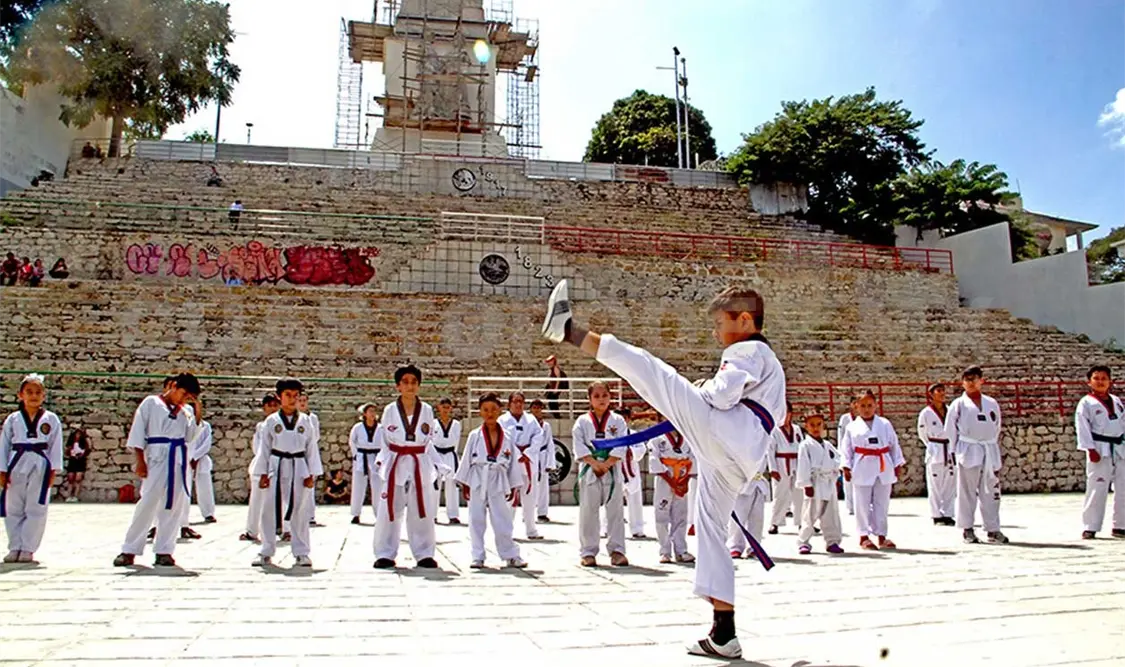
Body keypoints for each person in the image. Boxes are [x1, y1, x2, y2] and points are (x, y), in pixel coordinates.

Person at [541, 281, 785, 659]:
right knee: (709, 528)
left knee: (651, 370)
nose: (717, 331)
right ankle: (724, 632)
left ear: (745, 320)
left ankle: (569, 330)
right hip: (739, 456)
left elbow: (722, 395)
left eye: (721, 322)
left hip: (727, 434)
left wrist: (699, 391)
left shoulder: (747, 348)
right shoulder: (773, 367)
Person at [113, 373, 202, 568]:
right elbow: (138, 433)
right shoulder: (151, 403)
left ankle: (164, 550)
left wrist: (197, 411)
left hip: (177, 459)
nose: (184, 399)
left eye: (189, 397)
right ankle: (129, 549)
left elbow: (190, 437)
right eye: (183, 393)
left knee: (173, 506)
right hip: (156, 457)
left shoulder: (185, 411)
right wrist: (140, 461)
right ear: (173, 386)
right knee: (148, 502)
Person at [373, 364, 447, 569]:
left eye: (414, 382)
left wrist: (438, 463)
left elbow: (428, 441)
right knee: (390, 508)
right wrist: (383, 460)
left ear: (419, 385)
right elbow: (385, 440)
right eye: (405, 382)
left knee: (421, 508)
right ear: (398, 386)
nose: (410, 386)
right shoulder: (389, 410)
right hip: (396, 459)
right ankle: (385, 552)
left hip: (418, 459)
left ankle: (424, 553)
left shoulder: (427, 410)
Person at [253, 378, 323, 568]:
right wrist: (262, 473)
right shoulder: (271, 421)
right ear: (279, 397)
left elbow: (311, 448)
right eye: (287, 395)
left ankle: (301, 552)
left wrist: (312, 474)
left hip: (299, 465)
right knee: (269, 509)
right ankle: (266, 550)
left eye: (295, 395)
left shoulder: (306, 421)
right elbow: (264, 448)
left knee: (300, 510)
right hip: (276, 464)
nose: (292, 399)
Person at [455, 393, 528, 569]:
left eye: (494, 409)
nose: (490, 413)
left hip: (499, 477)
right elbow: (466, 459)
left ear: (500, 411)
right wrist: (464, 482)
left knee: (503, 518)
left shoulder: (508, 436)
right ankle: (477, 555)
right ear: (480, 411)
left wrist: (514, 487)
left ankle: (510, 554)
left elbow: (512, 465)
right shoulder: (474, 435)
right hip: (478, 476)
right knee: (476, 518)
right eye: (486, 410)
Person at [0, 374, 64, 563]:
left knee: (36, 507)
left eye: (38, 392)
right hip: (16, 462)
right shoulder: (13, 419)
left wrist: (53, 470)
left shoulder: (51, 419)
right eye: (29, 392)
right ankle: (15, 546)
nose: (33, 396)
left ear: (44, 396)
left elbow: (55, 445)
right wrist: (2, 470)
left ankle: (28, 548)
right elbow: (3, 445)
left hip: (40, 464)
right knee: (13, 507)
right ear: (20, 395)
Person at [946, 366, 1009, 545]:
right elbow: (950, 430)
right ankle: (967, 529)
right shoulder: (958, 404)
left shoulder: (991, 403)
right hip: (968, 449)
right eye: (967, 379)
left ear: (982, 380)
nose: (971, 383)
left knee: (991, 492)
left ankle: (992, 529)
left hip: (988, 449)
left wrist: (991, 445)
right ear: (962, 382)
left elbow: (996, 426)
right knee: (967, 491)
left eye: (974, 379)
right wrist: (953, 451)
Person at [572, 381, 630, 567]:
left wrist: (607, 463)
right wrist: (594, 463)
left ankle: (617, 551)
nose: (601, 399)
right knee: (588, 511)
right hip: (590, 468)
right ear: (589, 399)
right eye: (596, 396)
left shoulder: (618, 420)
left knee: (615, 510)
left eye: (604, 395)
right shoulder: (582, 421)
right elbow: (578, 445)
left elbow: (622, 444)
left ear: (610, 397)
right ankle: (588, 551)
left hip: (612, 468)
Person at [841, 390, 905, 551]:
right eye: (862, 406)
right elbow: (846, 449)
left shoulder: (884, 424)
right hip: (862, 465)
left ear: (876, 405)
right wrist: (846, 467)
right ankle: (863, 535)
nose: (866, 409)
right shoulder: (852, 427)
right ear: (856, 407)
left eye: (870, 405)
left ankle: (882, 535)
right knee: (861, 503)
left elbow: (894, 444)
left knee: (882, 503)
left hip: (883, 463)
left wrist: (898, 464)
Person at [1076, 365, 1124, 539]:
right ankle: (1090, 525)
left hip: (1119, 448)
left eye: (1104, 378)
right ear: (1089, 382)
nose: (1100, 381)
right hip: (1099, 447)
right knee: (1097, 487)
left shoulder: (1116, 401)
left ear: (1110, 381)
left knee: (1123, 488)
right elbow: (1082, 427)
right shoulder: (1086, 403)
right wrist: (1090, 449)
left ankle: (1120, 525)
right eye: (1096, 378)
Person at [794, 410, 844, 554]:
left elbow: (837, 459)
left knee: (831, 514)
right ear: (806, 427)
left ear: (824, 426)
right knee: (810, 514)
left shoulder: (827, 445)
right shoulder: (805, 445)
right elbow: (803, 464)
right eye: (812, 425)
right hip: (814, 483)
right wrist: (806, 484)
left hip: (828, 482)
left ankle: (832, 541)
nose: (816, 428)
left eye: (819, 424)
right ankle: (803, 541)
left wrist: (835, 472)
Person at [647, 415, 695, 564]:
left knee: (681, 515)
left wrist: (685, 481)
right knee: (662, 514)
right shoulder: (656, 438)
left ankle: (681, 550)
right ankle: (665, 551)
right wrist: (671, 482)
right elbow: (654, 460)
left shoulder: (688, 437)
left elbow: (693, 459)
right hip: (664, 479)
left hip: (682, 479)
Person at [498, 392, 544, 540]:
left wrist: (528, 453)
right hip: (512, 461)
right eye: (515, 401)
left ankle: (531, 530)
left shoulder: (531, 420)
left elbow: (539, 436)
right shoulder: (503, 420)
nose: (518, 404)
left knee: (530, 497)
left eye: (521, 402)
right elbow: (503, 438)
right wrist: (518, 454)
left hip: (528, 462)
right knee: (510, 497)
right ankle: (506, 530)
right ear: (509, 404)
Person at [241, 393, 280, 542]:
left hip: (280, 464)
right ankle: (252, 530)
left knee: (283, 499)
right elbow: (257, 448)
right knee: (257, 499)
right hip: (261, 464)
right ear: (264, 408)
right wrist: (265, 461)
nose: (272, 408)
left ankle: (286, 529)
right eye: (269, 405)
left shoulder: (282, 425)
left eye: (275, 405)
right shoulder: (261, 426)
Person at [918, 383, 955, 526]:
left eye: (943, 391)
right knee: (935, 485)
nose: (942, 393)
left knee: (950, 484)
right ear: (931, 394)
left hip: (949, 448)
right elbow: (922, 434)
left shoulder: (950, 410)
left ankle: (948, 513)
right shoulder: (926, 413)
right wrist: (932, 446)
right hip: (935, 448)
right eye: (938, 391)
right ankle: (936, 515)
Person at [767, 402, 802, 534]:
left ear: (790, 414)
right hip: (781, 464)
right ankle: (775, 523)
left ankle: (801, 522)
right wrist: (773, 469)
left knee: (799, 495)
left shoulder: (797, 429)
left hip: (796, 463)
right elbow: (770, 451)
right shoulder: (774, 430)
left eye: (787, 412)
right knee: (780, 495)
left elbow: (802, 447)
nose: (785, 416)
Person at [349, 403, 384, 524]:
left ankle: (379, 514)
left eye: (374, 411)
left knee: (378, 487)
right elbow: (352, 442)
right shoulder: (357, 427)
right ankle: (356, 514)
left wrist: (382, 458)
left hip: (376, 458)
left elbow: (385, 443)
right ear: (364, 414)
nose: (372, 414)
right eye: (370, 411)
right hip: (361, 457)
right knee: (358, 486)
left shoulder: (381, 428)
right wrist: (355, 455)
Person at [617, 406, 647, 538]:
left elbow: (641, 449)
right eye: (620, 418)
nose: (623, 420)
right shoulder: (611, 434)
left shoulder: (635, 435)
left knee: (635, 499)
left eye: (625, 417)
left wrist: (631, 452)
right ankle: (605, 527)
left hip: (632, 470)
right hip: (616, 469)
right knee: (611, 500)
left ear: (629, 419)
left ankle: (637, 528)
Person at [431, 397, 462, 525]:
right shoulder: (433, 423)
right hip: (436, 454)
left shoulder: (456, 424)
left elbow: (457, 441)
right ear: (438, 408)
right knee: (435, 485)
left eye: (448, 407)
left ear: (451, 409)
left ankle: (453, 515)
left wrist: (453, 454)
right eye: (443, 407)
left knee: (452, 485)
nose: (445, 410)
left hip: (450, 454)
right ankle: (432, 514)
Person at [528, 399, 556, 523]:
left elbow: (550, 443)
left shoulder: (546, 426)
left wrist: (551, 462)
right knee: (529, 485)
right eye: (534, 408)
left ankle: (542, 513)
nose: (536, 410)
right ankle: (528, 513)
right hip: (530, 455)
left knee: (543, 485)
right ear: (530, 409)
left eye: (539, 408)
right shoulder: (527, 424)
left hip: (543, 456)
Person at [297, 391, 322, 527]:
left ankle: (310, 515)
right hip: (296, 453)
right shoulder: (294, 418)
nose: (302, 403)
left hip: (309, 452)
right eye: (299, 400)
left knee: (310, 484)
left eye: (304, 400)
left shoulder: (312, 418)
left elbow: (316, 435)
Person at [189, 419, 216, 524]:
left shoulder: (205, 426)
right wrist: (189, 457)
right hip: (184, 458)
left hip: (201, 458)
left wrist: (195, 457)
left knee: (205, 487)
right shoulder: (182, 422)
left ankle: (208, 513)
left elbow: (206, 444)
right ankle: (181, 516)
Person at [837, 399, 857, 516]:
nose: (855, 406)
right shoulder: (845, 418)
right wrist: (841, 455)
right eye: (853, 403)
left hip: (860, 452)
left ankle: (860, 504)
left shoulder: (863, 419)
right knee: (847, 481)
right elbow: (841, 436)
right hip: (846, 452)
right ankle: (850, 506)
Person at [63, 428, 92, 502]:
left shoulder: (84, 443)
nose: (77, 435)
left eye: (79, 434)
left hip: (80, 461)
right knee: (70, 478)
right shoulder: (71, 443)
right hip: (72, 460)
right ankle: (69, 496)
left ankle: (75, 496)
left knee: (78, 478)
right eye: (76, 434)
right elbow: (67, 452)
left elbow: (87, 450)